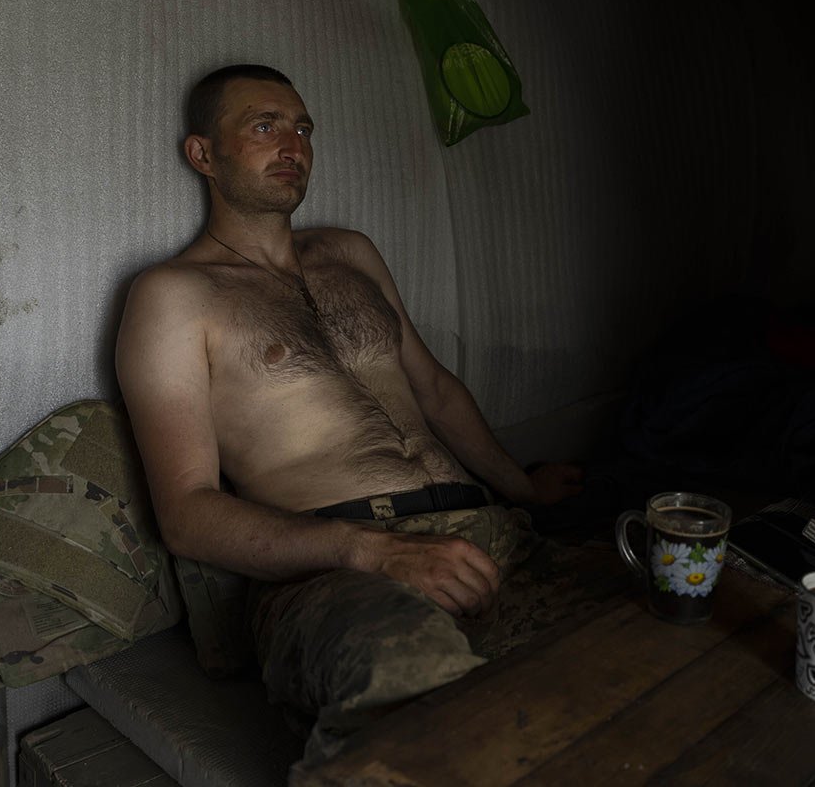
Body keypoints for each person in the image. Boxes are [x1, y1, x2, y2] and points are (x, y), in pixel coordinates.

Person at [115, 64, 604, 769]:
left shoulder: (348, 252)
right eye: (264, 126)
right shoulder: (174, 295)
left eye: (303, 127)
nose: (293, 144)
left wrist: (522, 490)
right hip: (337, 572)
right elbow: (187, 514)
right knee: (412, 686)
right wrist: (370, 551)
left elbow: (433, 390)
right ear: (203, 155)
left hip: (484, 534)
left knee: (644, 631)